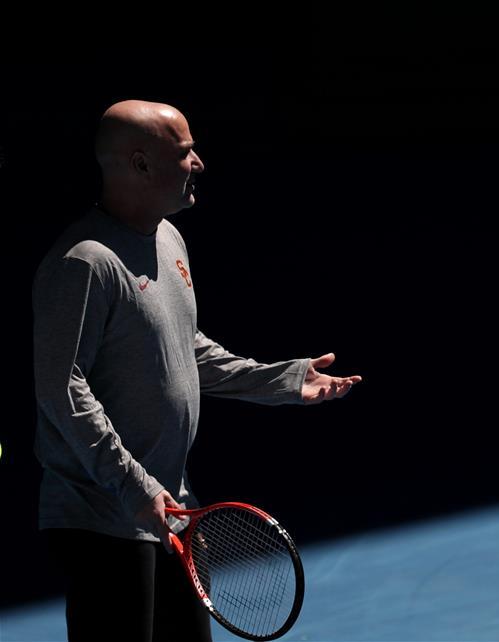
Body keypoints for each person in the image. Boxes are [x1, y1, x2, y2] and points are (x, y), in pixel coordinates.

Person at [32, 100, 361, 642]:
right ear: (140, 165)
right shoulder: (84, 264)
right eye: (185, 152)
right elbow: (61, 389)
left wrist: (282, 380)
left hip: (171, 509)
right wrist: (135, 487)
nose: (200, 163)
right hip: (104, 519)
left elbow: (186, 350)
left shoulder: (169, 239)